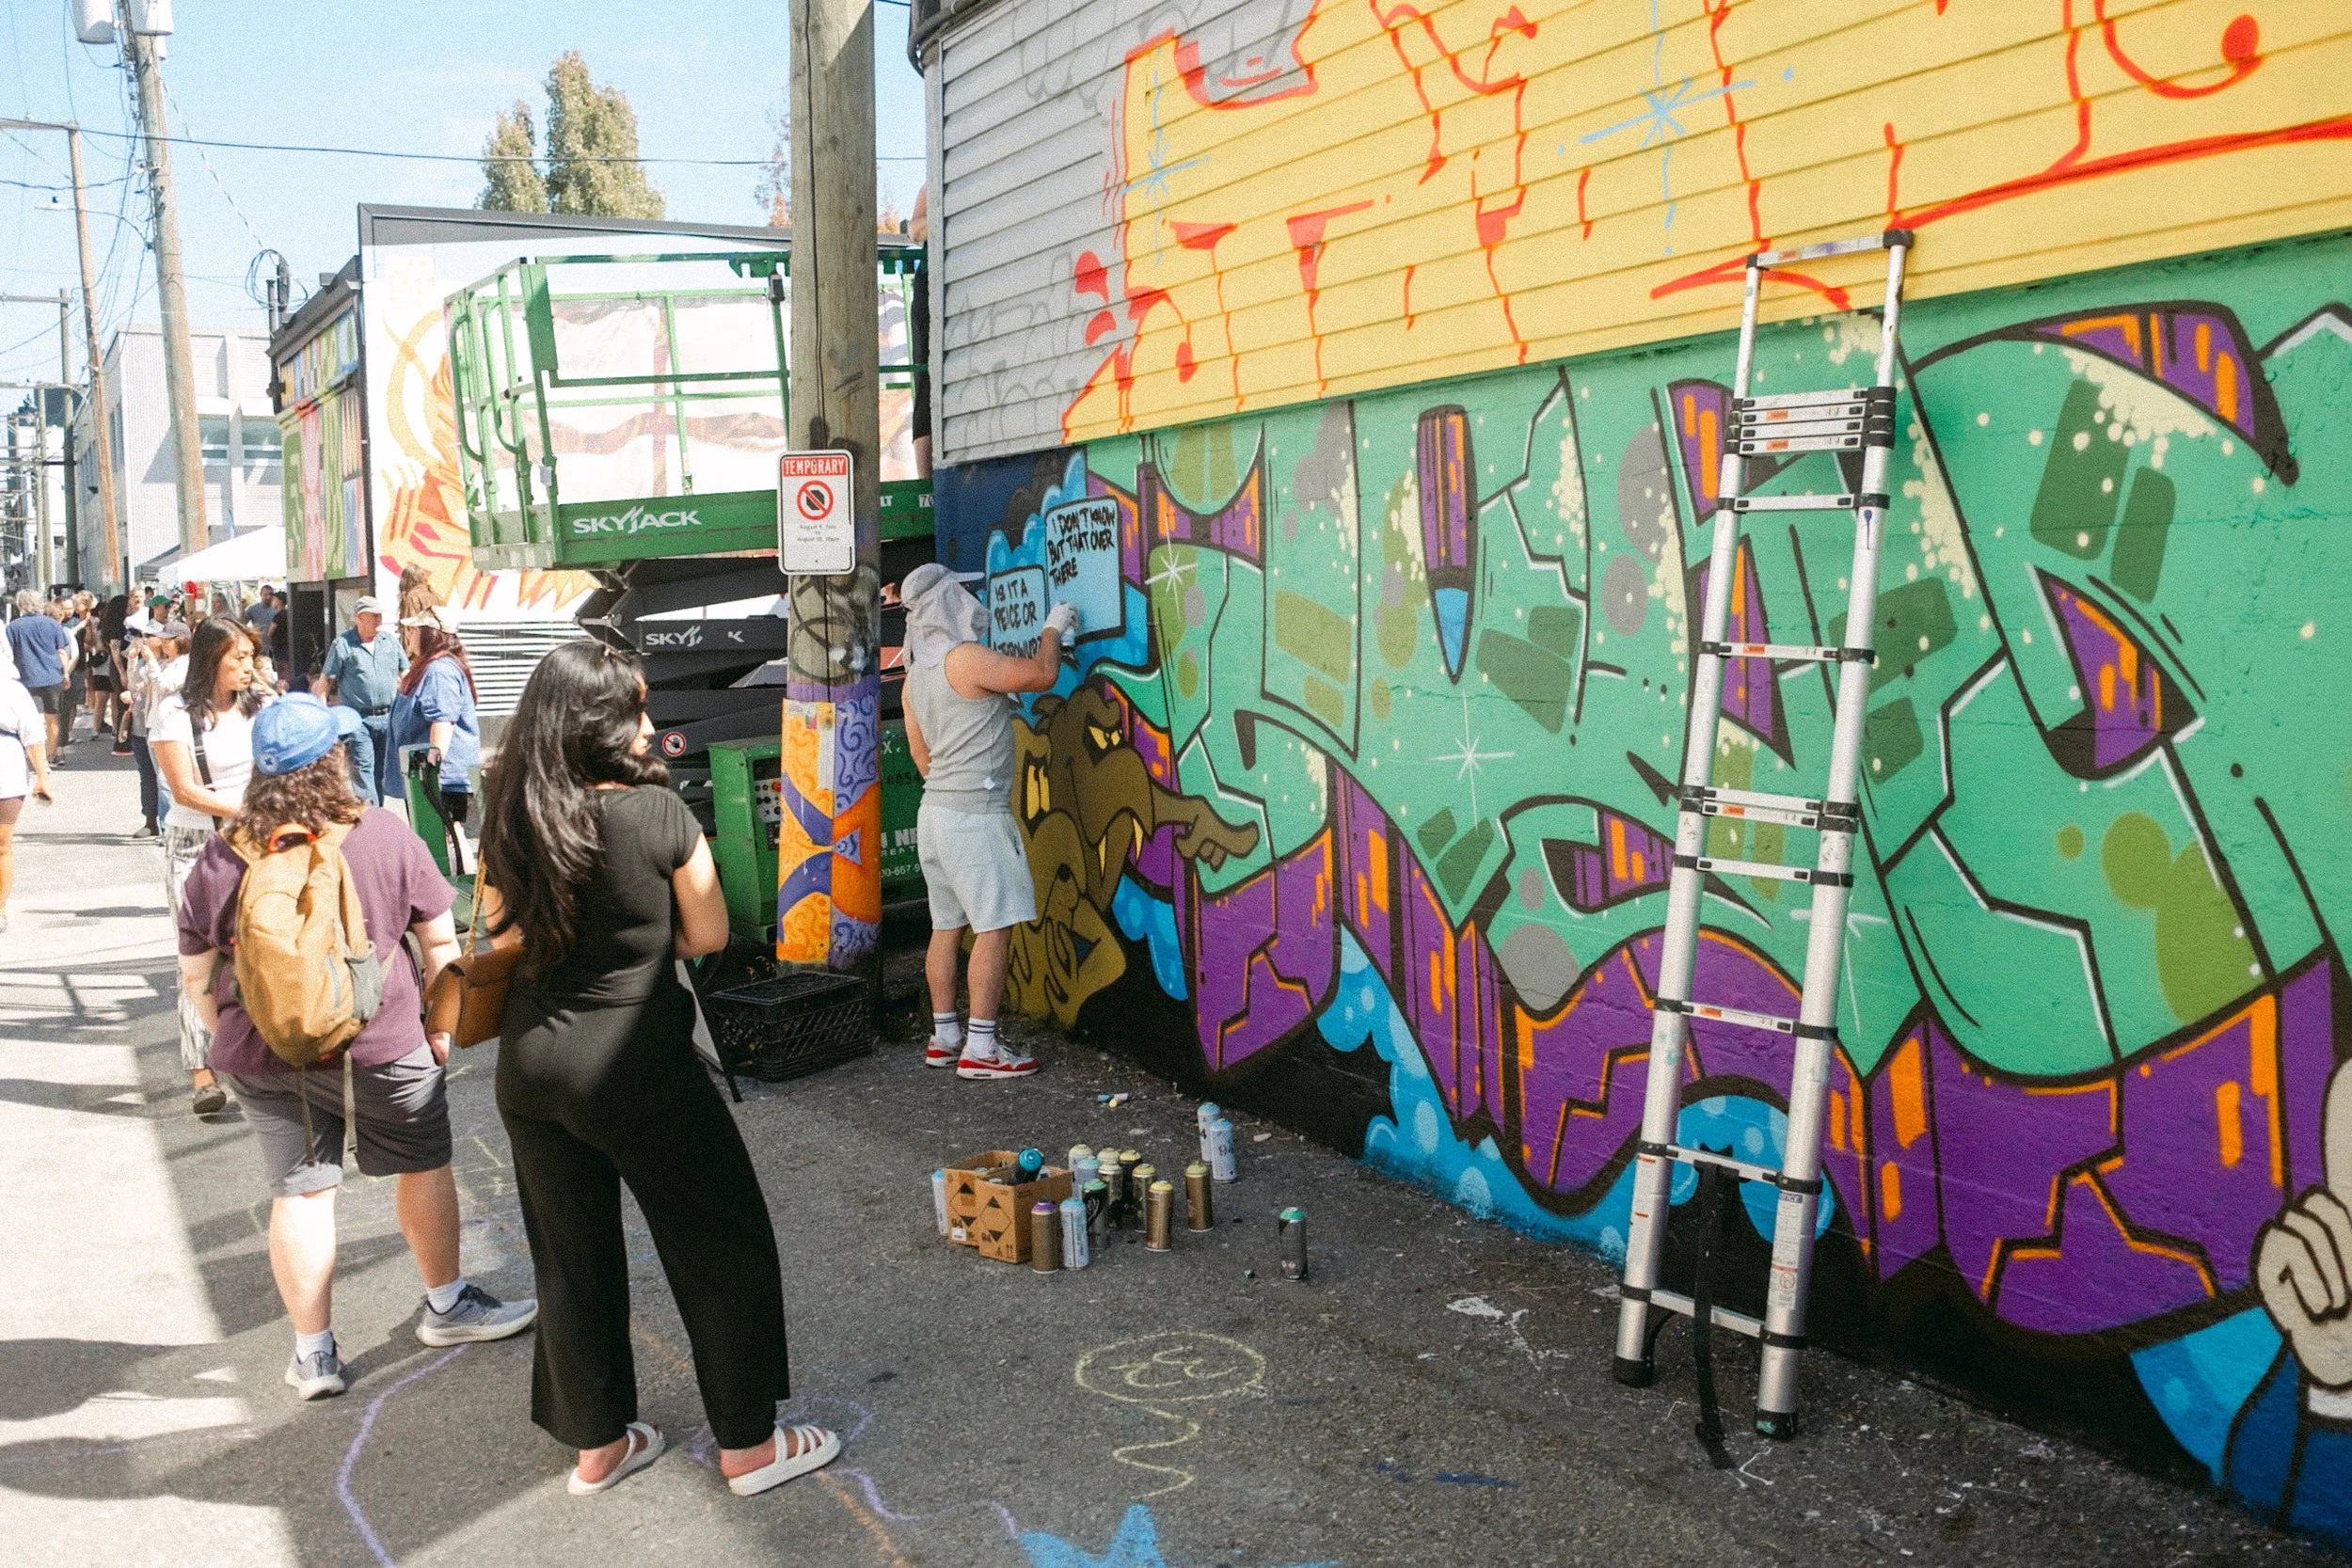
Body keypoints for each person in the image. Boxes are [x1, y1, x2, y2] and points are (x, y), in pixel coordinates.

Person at [477, 640, 837, 1498]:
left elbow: (499, 935)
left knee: (570, 1255)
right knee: (718, 1237)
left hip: (530, 1069)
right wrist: (638, 938)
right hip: (635, 1066)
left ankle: (598, 1443)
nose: (648, 726)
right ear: (598, 722)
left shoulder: (512, 810)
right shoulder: (658, 814)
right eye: (634, 709)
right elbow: (708, 934)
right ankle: (748, 1444)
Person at [176, 694, 537, 1402]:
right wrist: (439, 1032)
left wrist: (232, 1039)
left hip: (266, 1054)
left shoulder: (222, 857)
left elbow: (196, 975)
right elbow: (440, 944)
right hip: (385, 1042)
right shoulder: (381, 834)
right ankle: (446, 1304)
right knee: (424, 1165)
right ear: (333, 759)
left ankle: (314, 1355)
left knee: (302, 1195)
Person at [898, 562, 1072, 1080]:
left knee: (945, 927)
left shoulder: (914, 677)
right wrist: (1053, 628)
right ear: (950, 600)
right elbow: (1042, 675)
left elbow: (922, 759)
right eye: (964, 591)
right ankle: (982, 1048)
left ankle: (945, 1035)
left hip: (935, 814)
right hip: (976, 815)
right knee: (995, 928)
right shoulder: (966, 659)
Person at [151, 619, 273, 1117]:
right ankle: (202, 1071)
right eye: (237, 658)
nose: (248, 666)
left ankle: (265, 1050)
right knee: (197, 960)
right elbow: (183, 789)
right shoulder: (175, 714)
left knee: (259, 944)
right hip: (195, 840)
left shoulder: (259, 704)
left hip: (255, 840)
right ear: (211, 660)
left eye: (250, 656)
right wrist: (248, 810)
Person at [390, 609, 480, 866]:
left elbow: (443, 722)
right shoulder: (432, 667)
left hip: (440, 779)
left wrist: (431, 773)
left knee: (449, 838)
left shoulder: (440, 670)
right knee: (443, 839)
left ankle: (460, 893)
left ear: (430, 634)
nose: (410, 634)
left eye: (416, 630)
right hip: (430, 776)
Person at [321, 596, 406, 803]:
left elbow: (406, 672)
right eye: (374, 616)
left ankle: (375, 814)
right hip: (358, 718)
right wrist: (323, 715)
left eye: (380, 615)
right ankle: (371, 816)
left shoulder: (390, 642)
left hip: (388, 716)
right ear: (359, 618)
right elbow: (326, 680)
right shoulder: (343, 644)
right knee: (363, 766)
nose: (379, 620)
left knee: (382, 771)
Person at [0, 655, 55, 933]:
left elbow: (32, 734)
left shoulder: (11, 689)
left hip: (6, 767)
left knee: (1, 844)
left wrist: (43, 776)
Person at [124, 620, 188, 839]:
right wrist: (133, 661)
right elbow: (135, 686)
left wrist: (150, 661)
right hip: (151, 725)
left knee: (166, 780)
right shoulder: (161, 663)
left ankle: (170, 828)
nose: (160, 642)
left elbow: (165, 686)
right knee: (155, 778)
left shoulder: (183, 664)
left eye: (166, 638)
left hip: (171, 726)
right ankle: (160, 825)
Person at [8, 591, 75, 762]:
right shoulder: (52, 625)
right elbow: (61, 651)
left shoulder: (14, 627)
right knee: (53, 717)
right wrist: (65, 673)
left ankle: (32, 757)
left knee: (25, 718)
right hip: (52, 676)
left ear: (20, 605)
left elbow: (8, 654)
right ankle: (54, 753)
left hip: (24, 678)